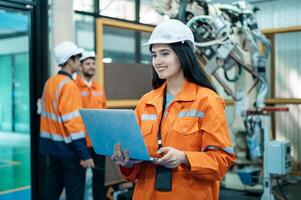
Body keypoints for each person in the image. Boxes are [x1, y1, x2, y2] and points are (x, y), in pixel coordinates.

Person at [111, 19, 236, 200]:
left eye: (164, 53)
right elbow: (135, 169)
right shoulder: (146, 102)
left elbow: (222, 161)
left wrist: (185, 158)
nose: (157, 61)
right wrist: (127, 162)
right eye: (154, 55)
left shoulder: (208, 101)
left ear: (183, 55)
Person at [39, 41, 94, 200]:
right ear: (70, 61)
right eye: (78, 58)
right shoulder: (69, 85)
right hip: (69, 152)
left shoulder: (50, 83)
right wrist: (84, 154)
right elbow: (73, 124)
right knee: (75, 194)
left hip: (51, 149)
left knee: (52, 192)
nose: (79, 62)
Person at [74, 50, 107, 200]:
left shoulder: (99, 88)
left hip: (98, 142)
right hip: (80, 143)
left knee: (99, 179)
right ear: (80, 67)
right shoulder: (73, 87)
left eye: (93, 63)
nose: (91, 66)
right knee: (78, 181)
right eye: (88, 63)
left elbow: (104, 113)